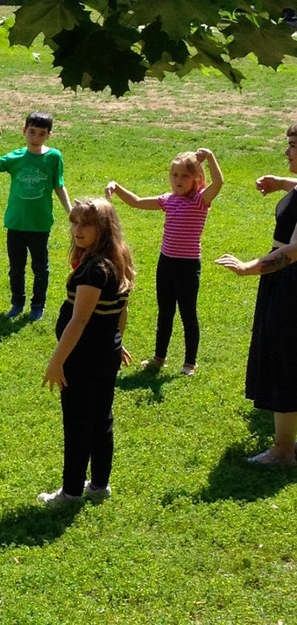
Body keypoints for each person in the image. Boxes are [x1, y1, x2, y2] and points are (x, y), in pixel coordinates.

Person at [40, 198, 134, 506]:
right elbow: (121, 309)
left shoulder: (95, 271)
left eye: (86, 224)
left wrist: (57, 361)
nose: (77, 230)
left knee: (79, 423)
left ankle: (71, 492)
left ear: (103, 229)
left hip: (82, 358)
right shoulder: (117, 259)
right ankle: (99, 486)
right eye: (74, 223)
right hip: (105, 353)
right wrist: (116, 341)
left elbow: (79, 320)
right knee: (101, 418)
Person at [215, 124, 297, 466]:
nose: (287, 152)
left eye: (292, 146)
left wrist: (249, 267)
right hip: (284, 281)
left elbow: (292, 251)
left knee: (285, 359)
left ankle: (282, 451)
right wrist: (282, 183)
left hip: (290, 282)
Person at [106, 149, 223, 376]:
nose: (178, 181)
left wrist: (209, 158)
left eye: (184, 176)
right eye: (175, 175)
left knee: (188, 313)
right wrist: (116, 187)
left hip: (188, 266)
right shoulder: (168, 200)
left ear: (197, 179)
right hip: (166, 263)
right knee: (165, 312)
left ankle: (190, 362)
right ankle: (159, 358)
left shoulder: (200, 201)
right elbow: (137, 202)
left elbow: (218, 183)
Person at [0, 111, 73, 321]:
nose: (35, 138)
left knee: (40, 268)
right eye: (31, 132)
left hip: (40, 225)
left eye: (42, 134)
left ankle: (37, 306)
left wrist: (70, 211)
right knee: (16, 268)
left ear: (48, 136)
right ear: (24, 131)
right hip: (16, 224)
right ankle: (17, 304)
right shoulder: (15, 157)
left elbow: (58, 185)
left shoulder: (53, 157)